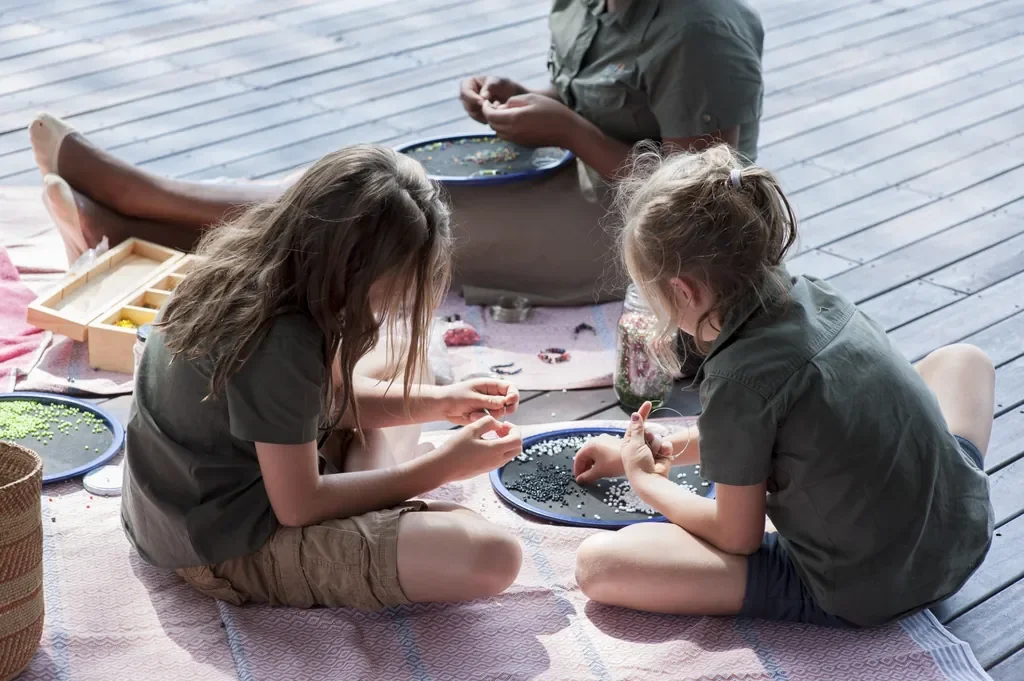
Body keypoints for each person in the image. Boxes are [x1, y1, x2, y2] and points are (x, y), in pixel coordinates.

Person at [28, 0, 764, 308]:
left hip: (631, 241)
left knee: (386, 209)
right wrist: (523, 102)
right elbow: (597, 97)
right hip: (560, 177)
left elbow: (697, 203)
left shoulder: (702, 30)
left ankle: (137, 201)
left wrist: (566, 130)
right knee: (380, 180)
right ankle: (128, 229)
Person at [570, 144, 995, 627]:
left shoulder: (738, 377)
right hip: (960, 532)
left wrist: (645, 482)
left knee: (599, 565)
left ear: (684, 291)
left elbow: (738, 536)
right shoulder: (816, 294)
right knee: (964, 360)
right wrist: (665, 445)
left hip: (863, 586)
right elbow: (770, 423)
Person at [121, 145, 526, 611]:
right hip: (224, 543)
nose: (394, 301)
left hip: (185, 502)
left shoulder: (262, 264)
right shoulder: (281, 337)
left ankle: (368, 489)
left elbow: (317, 399)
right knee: (492, 554)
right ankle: (371, 494)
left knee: (406, 365)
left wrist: (441, 401)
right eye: (394, 286)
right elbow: (297, 505)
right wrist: (441, 468)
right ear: (355, 270)